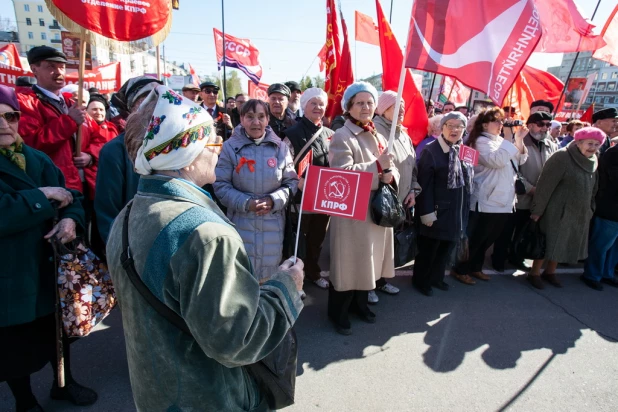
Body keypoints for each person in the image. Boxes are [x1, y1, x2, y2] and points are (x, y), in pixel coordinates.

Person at [105, 85, 304, 411]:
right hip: (209, 397)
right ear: (183, 155)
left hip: (155, 395)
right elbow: (237, 340)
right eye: (210, 141)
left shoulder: (128, 215)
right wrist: (286, 287)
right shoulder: (206, 234)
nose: (219, 147)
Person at [0, 85, 97, 411]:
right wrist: (42, 196)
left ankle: (63, 384)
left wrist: (71, 221)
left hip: (50, 267)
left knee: (58, 332)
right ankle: (24, 400)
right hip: (11, 271)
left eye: (10, 116)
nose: (4, 125)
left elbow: (73, 197)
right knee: (13, 343)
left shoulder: (36, 158)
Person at [327, 81, 398, 335]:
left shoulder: (376, 133)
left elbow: (388, 166)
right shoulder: (342, 135)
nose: (366, 107)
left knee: (366, 261)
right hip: (352, 212)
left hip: (373, 210)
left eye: (370, 102)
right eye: (360, 103)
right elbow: (341, 175)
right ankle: (338, 312)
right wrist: (378, 169)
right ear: (349, 107)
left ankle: (359, 304)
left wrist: (390, 173)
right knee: (349, 262)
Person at [214, 99, 298, 281]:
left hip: (272, 228)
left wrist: (273, 200)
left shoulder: (280, 148)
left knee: (267, 282)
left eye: (261, 117)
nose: (256, 122)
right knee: (240, 280)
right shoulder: (230, 148)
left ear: (268, 119)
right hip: (239, 224)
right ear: (242, 119)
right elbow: (220, 185)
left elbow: (291, 183)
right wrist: (247, 203)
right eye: (250, 117)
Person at [451, 107, 528, 285]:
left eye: (502, 121)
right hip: (486, 198)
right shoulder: (480, 141)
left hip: (504, 198)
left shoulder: (501, 140)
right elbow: (497, 161)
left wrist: (519, 139)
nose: (501, 124)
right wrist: (509, 138)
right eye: (497, 121)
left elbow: (521, 159)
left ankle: (476, 267)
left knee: (489, 238)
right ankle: (461, 269)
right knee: (477, 238)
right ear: (485, 125)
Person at [528, 127, 604, 289]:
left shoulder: (594, 159)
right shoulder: (562, 157)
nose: (593, 147)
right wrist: (537, 211)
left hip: (579, 212)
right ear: (578, 142)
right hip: (556, 209)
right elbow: (545, 186)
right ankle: (534, 273)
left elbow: (594, 187)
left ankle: (550, 272)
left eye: (597, 144)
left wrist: (590, 207)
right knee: (546, 242)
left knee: (563, 242)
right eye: (590, 143)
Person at [94, 76, 161, 244]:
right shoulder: (113, 152)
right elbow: (108, 214)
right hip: (134, 249)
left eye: (160, 98)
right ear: (133, 108)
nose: (155, 105)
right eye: (146, 99)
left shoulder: (176, 146)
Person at [414, 112, 473, 296]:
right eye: (450, 125)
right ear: (442, 127)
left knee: (445, 249)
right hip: (437, 211)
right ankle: (421, 281)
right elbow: (424, 185)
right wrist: (427, 213)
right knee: (429, 250)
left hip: (457, 210)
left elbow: (469, 181)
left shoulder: (465, 150)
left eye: (459, 126)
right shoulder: (430, 150)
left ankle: (436, 278)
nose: (454, 130)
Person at [491, 112, 558, 272]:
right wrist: (530, 188)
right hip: (518, 196)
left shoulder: (551, 144)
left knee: (526, 231)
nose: (545, 128)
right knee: (506, 231)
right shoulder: (519, 142)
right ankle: (499, 259)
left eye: (548, 125)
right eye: (541, 124)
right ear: (530, 125)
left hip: (538, 200)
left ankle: (517, 257)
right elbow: (514, 169)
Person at [283, 88, 333, 293]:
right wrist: (297, 181)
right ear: (304, 105)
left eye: (321, 104)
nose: (318, 107)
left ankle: (313, 273)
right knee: (298, 242)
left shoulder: (331, 134)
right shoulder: (291, 134)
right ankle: (295, 279)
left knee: (317, 239)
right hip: (300, 198)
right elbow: (284, 165)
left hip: (324, 198)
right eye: (313, 103)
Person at [373, 90, 421, 300]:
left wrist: (412, 189)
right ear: (383, 109)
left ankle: (380, 281)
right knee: (374, 247)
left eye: (403, 106)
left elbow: (412, 166)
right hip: (380, 201)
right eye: (396, 107)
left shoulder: (403, 133)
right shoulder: (376, 131)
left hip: (400, 201)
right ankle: (367, 286)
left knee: (387, 247)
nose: (402, 110)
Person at [582, 139, 618, 290]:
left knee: (613, 247)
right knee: (601, 245)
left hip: (613, 209)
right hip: (609, 208)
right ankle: (592, 275)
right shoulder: (613, 154)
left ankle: (607, 274)